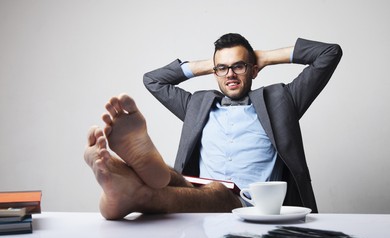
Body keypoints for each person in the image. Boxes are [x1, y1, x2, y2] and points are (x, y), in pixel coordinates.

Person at [84, 33, 342, 220]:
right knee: (171, 177)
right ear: (214, 71)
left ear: (253, 70)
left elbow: (329, 54)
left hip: (247, 203)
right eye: (222, 68)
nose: (230, 74)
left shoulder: (281, 101)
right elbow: (153, 80)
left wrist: (264, 57)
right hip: (195, 190)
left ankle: (136, 195)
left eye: (238, 66)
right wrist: (212, 65)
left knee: (217, 190)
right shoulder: (198, 104)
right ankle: (120, 176)